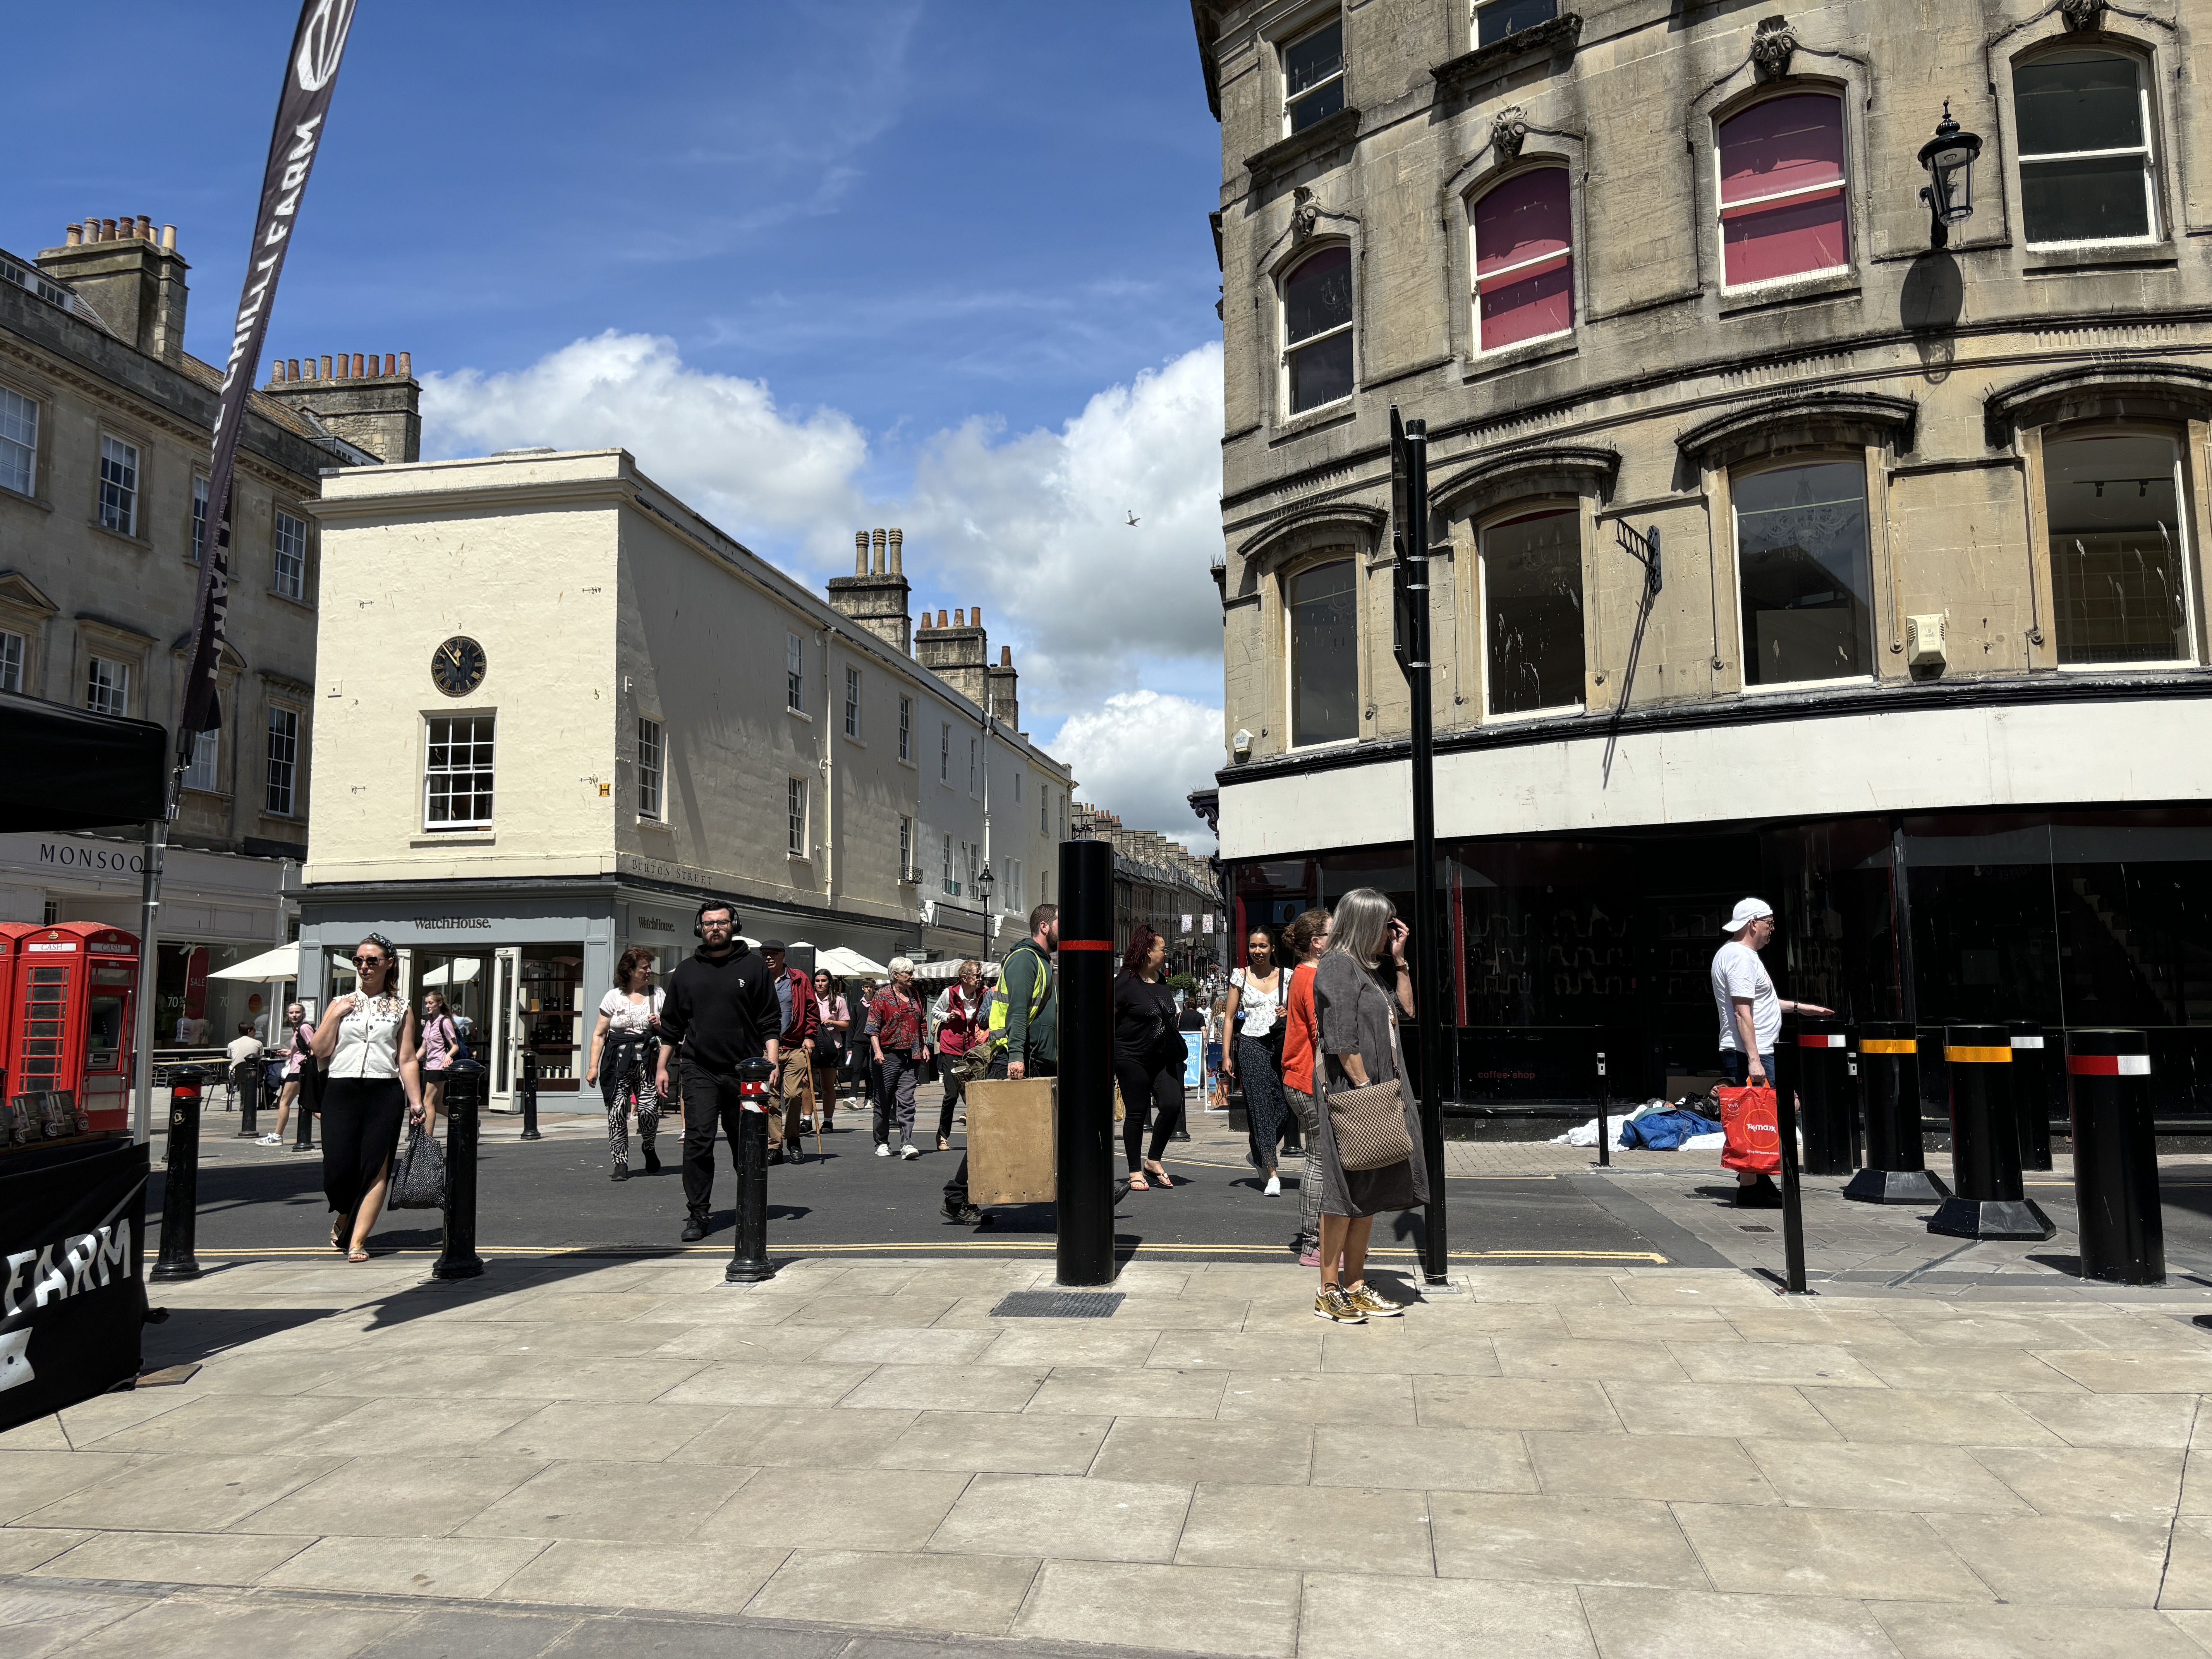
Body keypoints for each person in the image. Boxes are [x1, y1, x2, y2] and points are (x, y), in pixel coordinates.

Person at [1310, 888, 1429, 1323]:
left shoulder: (1368, 970)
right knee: (1344, 1192)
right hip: (1355, 1094)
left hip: (1378, 1090)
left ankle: (1356, 1285)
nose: (1389, 932)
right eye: (1385, 925)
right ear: (1364, 924)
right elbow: (1341, 1040)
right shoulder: (1339, 966)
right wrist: (1366, 1095)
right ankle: (1329, 1289)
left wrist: (1400, 961)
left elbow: (1408, 1011)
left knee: (1370, 1192)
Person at [657, 901, 782, 1242]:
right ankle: (698, 1213)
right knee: (698, 1140)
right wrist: (662, 1068)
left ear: (734, 925)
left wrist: (770, 1063)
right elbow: (672, 1026)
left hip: (745, 1073)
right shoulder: (686, 971)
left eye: (722, 923)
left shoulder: (754, 969)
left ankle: (749, 1206)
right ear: (700, 928)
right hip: (699, 1068)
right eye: (709, 923)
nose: (716, 928)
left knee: (746, 1145)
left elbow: (770, 1021)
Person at [311, 934, 428, 1262]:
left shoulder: (401, 1007)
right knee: (337, 1169)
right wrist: (335, 1015)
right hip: (341, 1091)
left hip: (383, 1093)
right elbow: (319, 1050)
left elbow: (406, 1059)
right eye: (359, 960)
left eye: (372, 960)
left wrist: (416, 1102)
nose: (364, 966)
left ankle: (358, 1241)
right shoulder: (340, 1003)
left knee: (377, 1167)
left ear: (389, 964)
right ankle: (345, 1214)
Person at [942, 903, 1059, 1224]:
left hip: (1031, 1056)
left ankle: (1079, 1190)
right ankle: (957, 1196)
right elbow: (1018, 1012)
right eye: (1062, 921)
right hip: (1014, 1056)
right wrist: (1018, 1057)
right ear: (1045, 927)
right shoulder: (1026, 959)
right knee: (995, 1134)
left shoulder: (1041, 961)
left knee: (1011, 1132)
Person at [1713, 897, 1831, 1209]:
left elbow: (1759, 1003)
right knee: (1769, 1113)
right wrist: (1754, 1060)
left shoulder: (1735, 954)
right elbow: (1742, 1013)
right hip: (1755, 1051)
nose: (1772, 930)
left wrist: (1799, 1008)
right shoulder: (1740, 958)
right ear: (1753, 923)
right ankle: (1751, 1187)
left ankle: (1758, 1182)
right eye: (1770, 924)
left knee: (1759, 1115)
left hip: (1755, 1049)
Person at [1278, 908, 1332, 1264]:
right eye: (1333, 934)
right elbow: (1321, 1033)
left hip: (1300, 1078)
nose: (1338, 940)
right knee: (1318, 1160)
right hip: (1308, 1079)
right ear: (1316, 944)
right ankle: (1313, 1244)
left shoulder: (1302, 974)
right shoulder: (1311, 978)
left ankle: (1318, 1240)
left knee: (1319, 1159)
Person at [1115, 925, 1187, 1192]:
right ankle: (1135, 1171)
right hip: (1131, 1056)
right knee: (1137, 1113)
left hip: (1161, 1057)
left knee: (1172, 1105)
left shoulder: (1161, 980)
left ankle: (1153, 1160)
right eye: (1162, 949)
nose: (1166, 953)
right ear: (1148, 952)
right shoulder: (1124, 983)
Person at [585, 947, 663, 1182]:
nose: (650, 971)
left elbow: (672, 1029)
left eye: (649, 966)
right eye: (645, 967)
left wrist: (659, 1023)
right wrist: (593, 1067)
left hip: (647, 1061)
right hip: (617, 1062)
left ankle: (649, 1145)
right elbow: (599, 1034)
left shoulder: (657, 994)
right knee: (617, 1112)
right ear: (629, 970)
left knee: (649, 1111)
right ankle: (620, 1162)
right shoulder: (613, 996)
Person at [1224, 927, 1291, 1196]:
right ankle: (1272, 1172)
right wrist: (1227, 1054)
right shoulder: (1240, 976)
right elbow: (1229, 1018)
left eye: (1263, 946)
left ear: (1272, 948)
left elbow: (1302, 1013)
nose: (1258, 951)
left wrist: (1288, 1013)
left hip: (1280, 1046)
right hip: (1251, 1045)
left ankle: (1259, 1153)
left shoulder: (1289, 977)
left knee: (1285, 1106)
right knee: (1260, 1107)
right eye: (1253, 946)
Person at [760, 941, 820, 1161]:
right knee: (772, 1099)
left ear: (783, 955)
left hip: (795, 1046)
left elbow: (812, 1009)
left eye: (773, 954)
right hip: (768, 1048)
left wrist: (810, 1036)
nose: (768, 958)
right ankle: (774, 1146)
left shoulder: (799, 978)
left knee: (794, 1095)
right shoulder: (759, 979)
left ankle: (793, 1138)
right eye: (764, 954)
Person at [866, 959, 928, 1159]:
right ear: (895, 975)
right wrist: (877, 1051)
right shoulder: (882, 996)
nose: (912, 976)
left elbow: (922, 1023)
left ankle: (907, 1143)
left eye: (912, 972)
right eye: (907, 973)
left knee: (907, 1101)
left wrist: (925, 1046)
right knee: (883, 1101)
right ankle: (882, 1142)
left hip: (912, 1055)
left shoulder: (915, 994)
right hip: (887, 1056)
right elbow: (872, 1027)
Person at [929, 959, 989, 1152]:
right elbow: (935, 1011)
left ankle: (980, 1136)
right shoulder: (950, 993)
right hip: (951, 1048)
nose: (980, 979)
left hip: (973, 1048)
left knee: (976, 1092)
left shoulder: (984, 994)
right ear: (965, 978)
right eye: (977, 976)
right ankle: (943, 1135)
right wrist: (948, 1017)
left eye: (981, 976)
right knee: (952, 1095)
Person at [262, 1001, 313, 1146]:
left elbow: (314, 1047)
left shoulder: (304, 1028)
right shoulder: (297, 1029)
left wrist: (305, 1063)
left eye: (297, 1012)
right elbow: (303, 1048)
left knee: (284, 1102)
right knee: (310, 1105)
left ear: (303, 1014)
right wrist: (291, 1053)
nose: (294, 1015)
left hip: (298, 1070)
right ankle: (340, 1130)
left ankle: (277, 1136)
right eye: (291, 1013)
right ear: (287, 1015)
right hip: (299, 1069)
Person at [419, 991, 464, 1132]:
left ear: (440, 1004)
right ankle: (467, 1120)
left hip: (439, 1067)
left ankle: (428, 1141)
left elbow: (455, 1046)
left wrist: (447, 1056)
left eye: (431, 1003)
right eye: (426, 1003)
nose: (428, 1006)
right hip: (429, 1066)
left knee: (428, 1102)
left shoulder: (445, 1022)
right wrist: (410, 1062)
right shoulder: (429, 1023)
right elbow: (423, 1048)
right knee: (438, 1106)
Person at [811, 968, 850, 1133]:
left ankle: (828, 1121)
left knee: (828, 1085)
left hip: (831, 1045)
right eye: (818, 981)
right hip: (811, 1044)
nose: (820, 984)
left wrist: (830, 1022)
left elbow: (846, 1024)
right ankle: (806, 1119)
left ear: (829, 983)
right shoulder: (809, 999)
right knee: (807, 1083)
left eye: (824, 981)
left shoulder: (839, 1001)